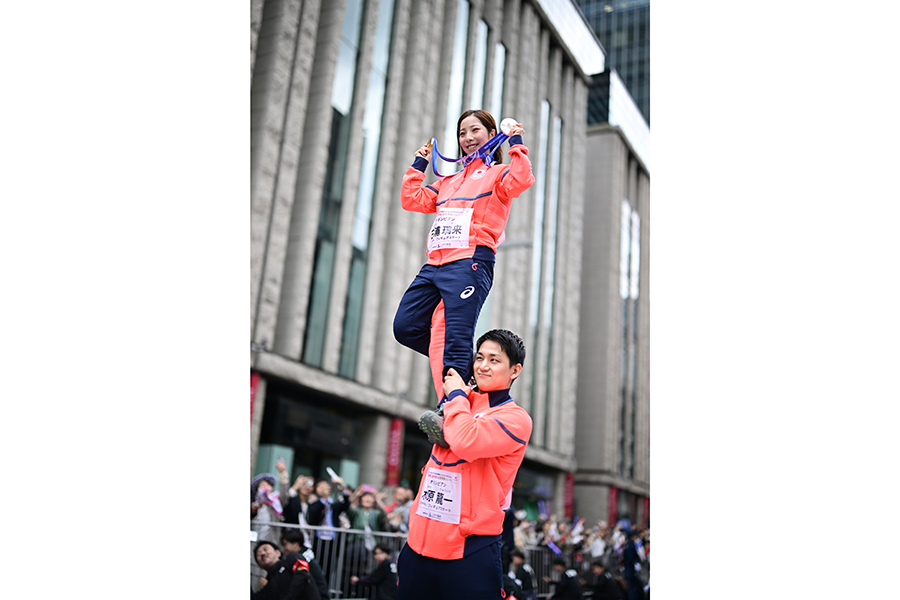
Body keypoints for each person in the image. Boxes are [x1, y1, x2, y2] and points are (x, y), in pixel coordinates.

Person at [393, 109, 535, 439]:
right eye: (462, 133)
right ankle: (471, 374)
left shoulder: (499, 174)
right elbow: (411, 199)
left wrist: (516, 141)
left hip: (471, 261)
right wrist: (418, 164)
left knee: (455, 337)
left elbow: (523, 178)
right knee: (405, 326)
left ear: (490, 134)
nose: (468, 138)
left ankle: (451, 409)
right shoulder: (449, 181)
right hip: (435, 265)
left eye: (475, 130)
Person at [396, 328, 533, 600]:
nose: (482, 366)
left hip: (469, 551)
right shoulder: (460, 398)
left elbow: (465, 441)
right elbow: (427, 338)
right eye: (479, 357)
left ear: (514, 370)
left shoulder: (516, 418)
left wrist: (457, 396)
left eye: (494, 360)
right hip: (417, 545)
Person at [252, 540, 322, 600]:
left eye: (265, 549)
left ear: (278, 553)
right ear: (259, 566)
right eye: (258, 553)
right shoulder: (268, 585)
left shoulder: (292, 559)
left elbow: (302, 573)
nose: (262, 553)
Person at [280, 529, 330, 600]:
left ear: (296, 544)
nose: (284, 548)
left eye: (285, 544)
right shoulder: (305, 555)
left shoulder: (301, 560)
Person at [252, 469, 288, 544]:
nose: (267, 488)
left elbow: (284, 496)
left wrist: (282, 473)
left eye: (269, 485)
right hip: (255, 543)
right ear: (256, 490)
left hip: (272, 541)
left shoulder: (276, 503)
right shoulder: (254, 504)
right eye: (263, 486)